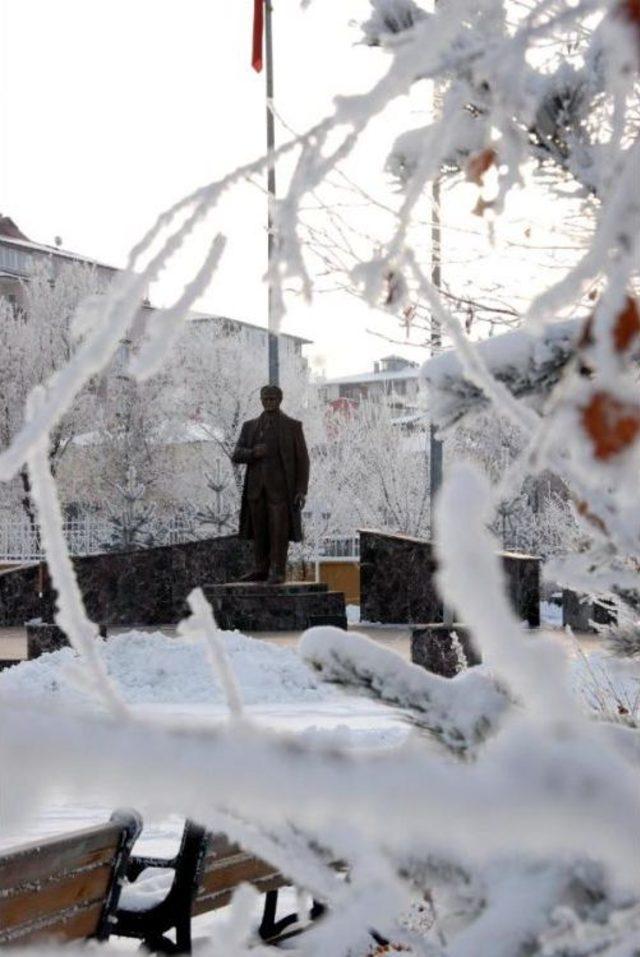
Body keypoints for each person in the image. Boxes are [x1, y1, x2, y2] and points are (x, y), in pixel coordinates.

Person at [232, 384, 309, 584]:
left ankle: (277, 570)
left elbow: (303, 460)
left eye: (272, 398)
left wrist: (301, 490)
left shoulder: (292, 426)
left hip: (281, 491)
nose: (268, 402)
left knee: (278, 532)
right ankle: (261, 568)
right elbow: (237, 454)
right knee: (259, 531)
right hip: (256, 490)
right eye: (265, 398)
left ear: (279, 400)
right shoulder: (250, 427)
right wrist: (252, 453)